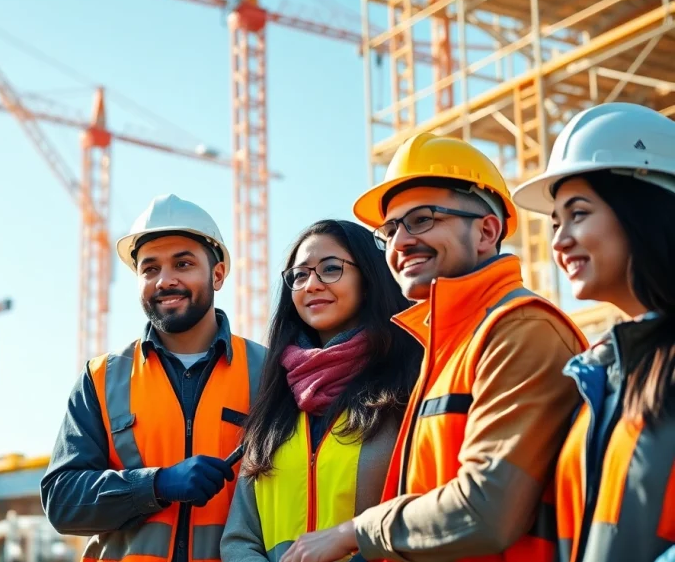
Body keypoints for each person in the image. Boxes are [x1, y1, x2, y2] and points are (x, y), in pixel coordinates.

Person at [279, 132, 588, 562]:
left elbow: (486, 511)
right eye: (390, 229)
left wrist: (354, 533)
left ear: (486, 231)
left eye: (422, 219)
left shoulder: (521, 329)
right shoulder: (446, 345)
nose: (400, 242)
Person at [41, 193, 266, 562]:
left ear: (218, 274)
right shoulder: (102, 379)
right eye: (150, 269)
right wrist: (156, 485)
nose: (164, 280)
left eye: (183, 264)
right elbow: (62, 501)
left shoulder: (268, 372)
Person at [511, 102, 675, 562]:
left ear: (644, 209)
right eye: (555, 222)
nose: (559, 240)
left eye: (578, 213)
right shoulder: (604, 376)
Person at [219, 220, 422, 562]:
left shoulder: (408, 390)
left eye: (330, 269)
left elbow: (423, 514)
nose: (311, 284)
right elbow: (240, 538)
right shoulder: (275, 402)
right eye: (300, 275)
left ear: (368, 280)